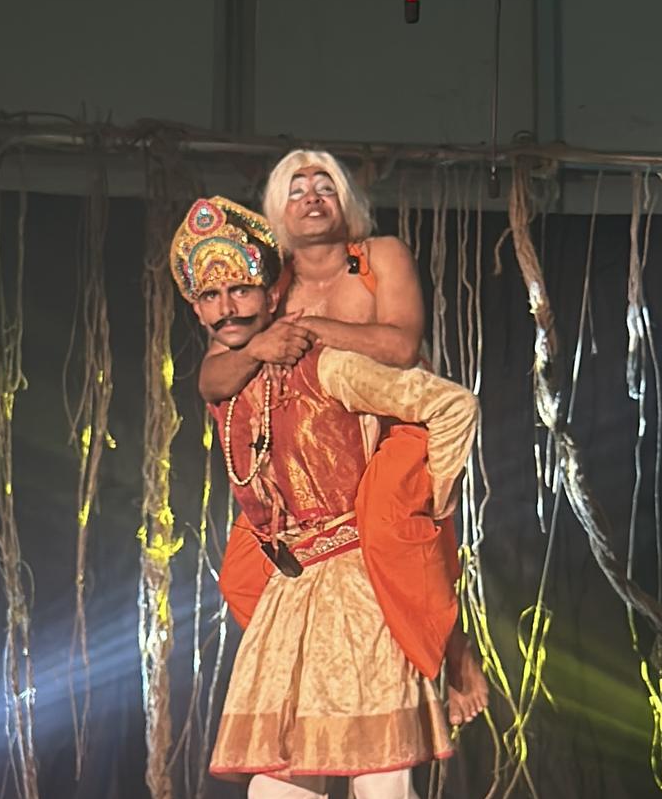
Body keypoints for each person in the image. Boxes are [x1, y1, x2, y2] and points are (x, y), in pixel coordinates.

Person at [171, 195, 479, 799]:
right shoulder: (228, 387)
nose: (229, 307)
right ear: (196, 307)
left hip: (357, 587)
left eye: (242, 291)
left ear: (274, 292)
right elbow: (209, 374)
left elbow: (449, 404)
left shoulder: (326, 363)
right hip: (287, 598)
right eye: (210, 295)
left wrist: (422, 511)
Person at [198, 147, 488, 727]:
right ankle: (312, 669)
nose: (311, 196)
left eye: (324, 184)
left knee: (389, 528)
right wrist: (258, 345)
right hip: (305, 443)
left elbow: (403, 347)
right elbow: (212, 377)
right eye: (297, 187)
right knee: (240, 574)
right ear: (278, 209)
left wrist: (308, 331)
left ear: (345, 200)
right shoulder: (266, 283)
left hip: (390, 427)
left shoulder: (373, 258)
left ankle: (451, 653)